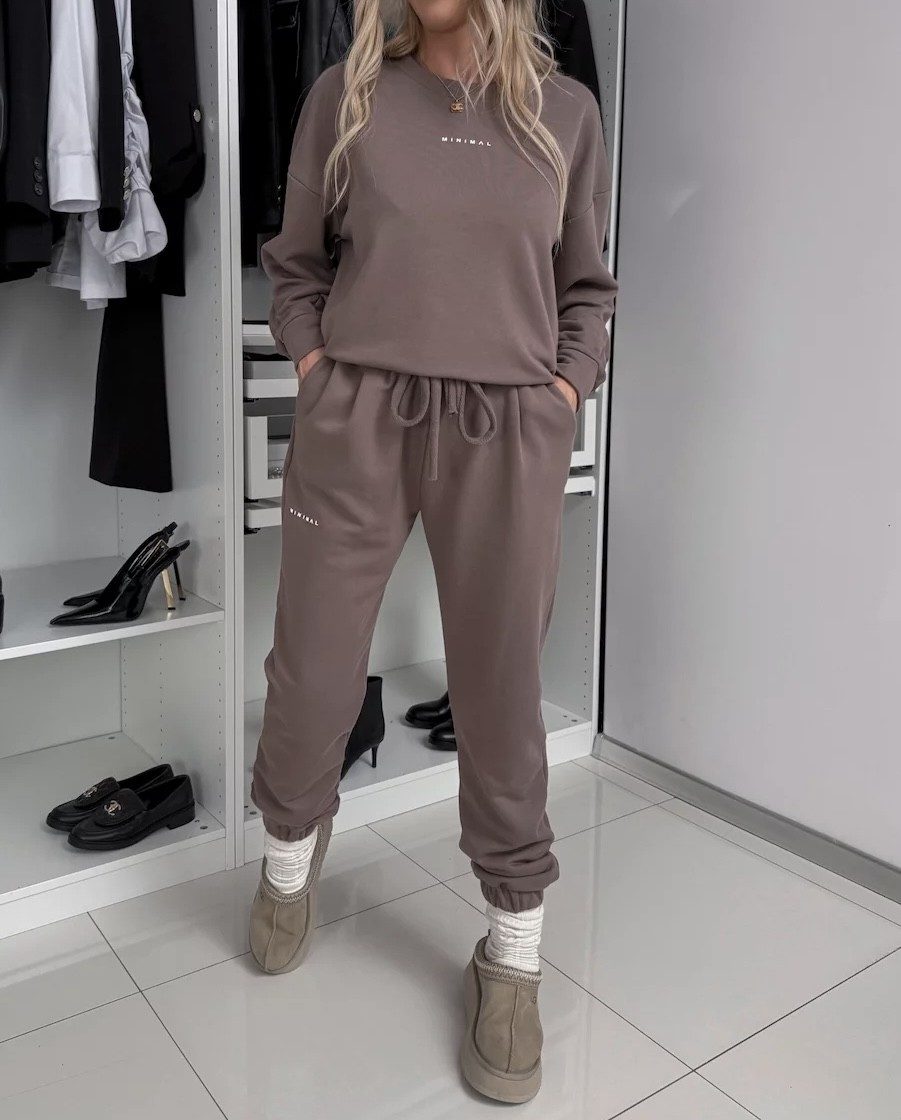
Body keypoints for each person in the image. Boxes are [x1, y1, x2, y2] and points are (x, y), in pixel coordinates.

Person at [248, 0, 617, 1102]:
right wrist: (318, 373)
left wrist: (562, 393)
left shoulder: (565, 112)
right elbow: (295, 263)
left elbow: (586, 288)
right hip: (359, 413)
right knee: (313, 664)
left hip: (508, 427)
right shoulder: (347, 96)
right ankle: (288, 854)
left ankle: (511, 952)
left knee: (498, 691)